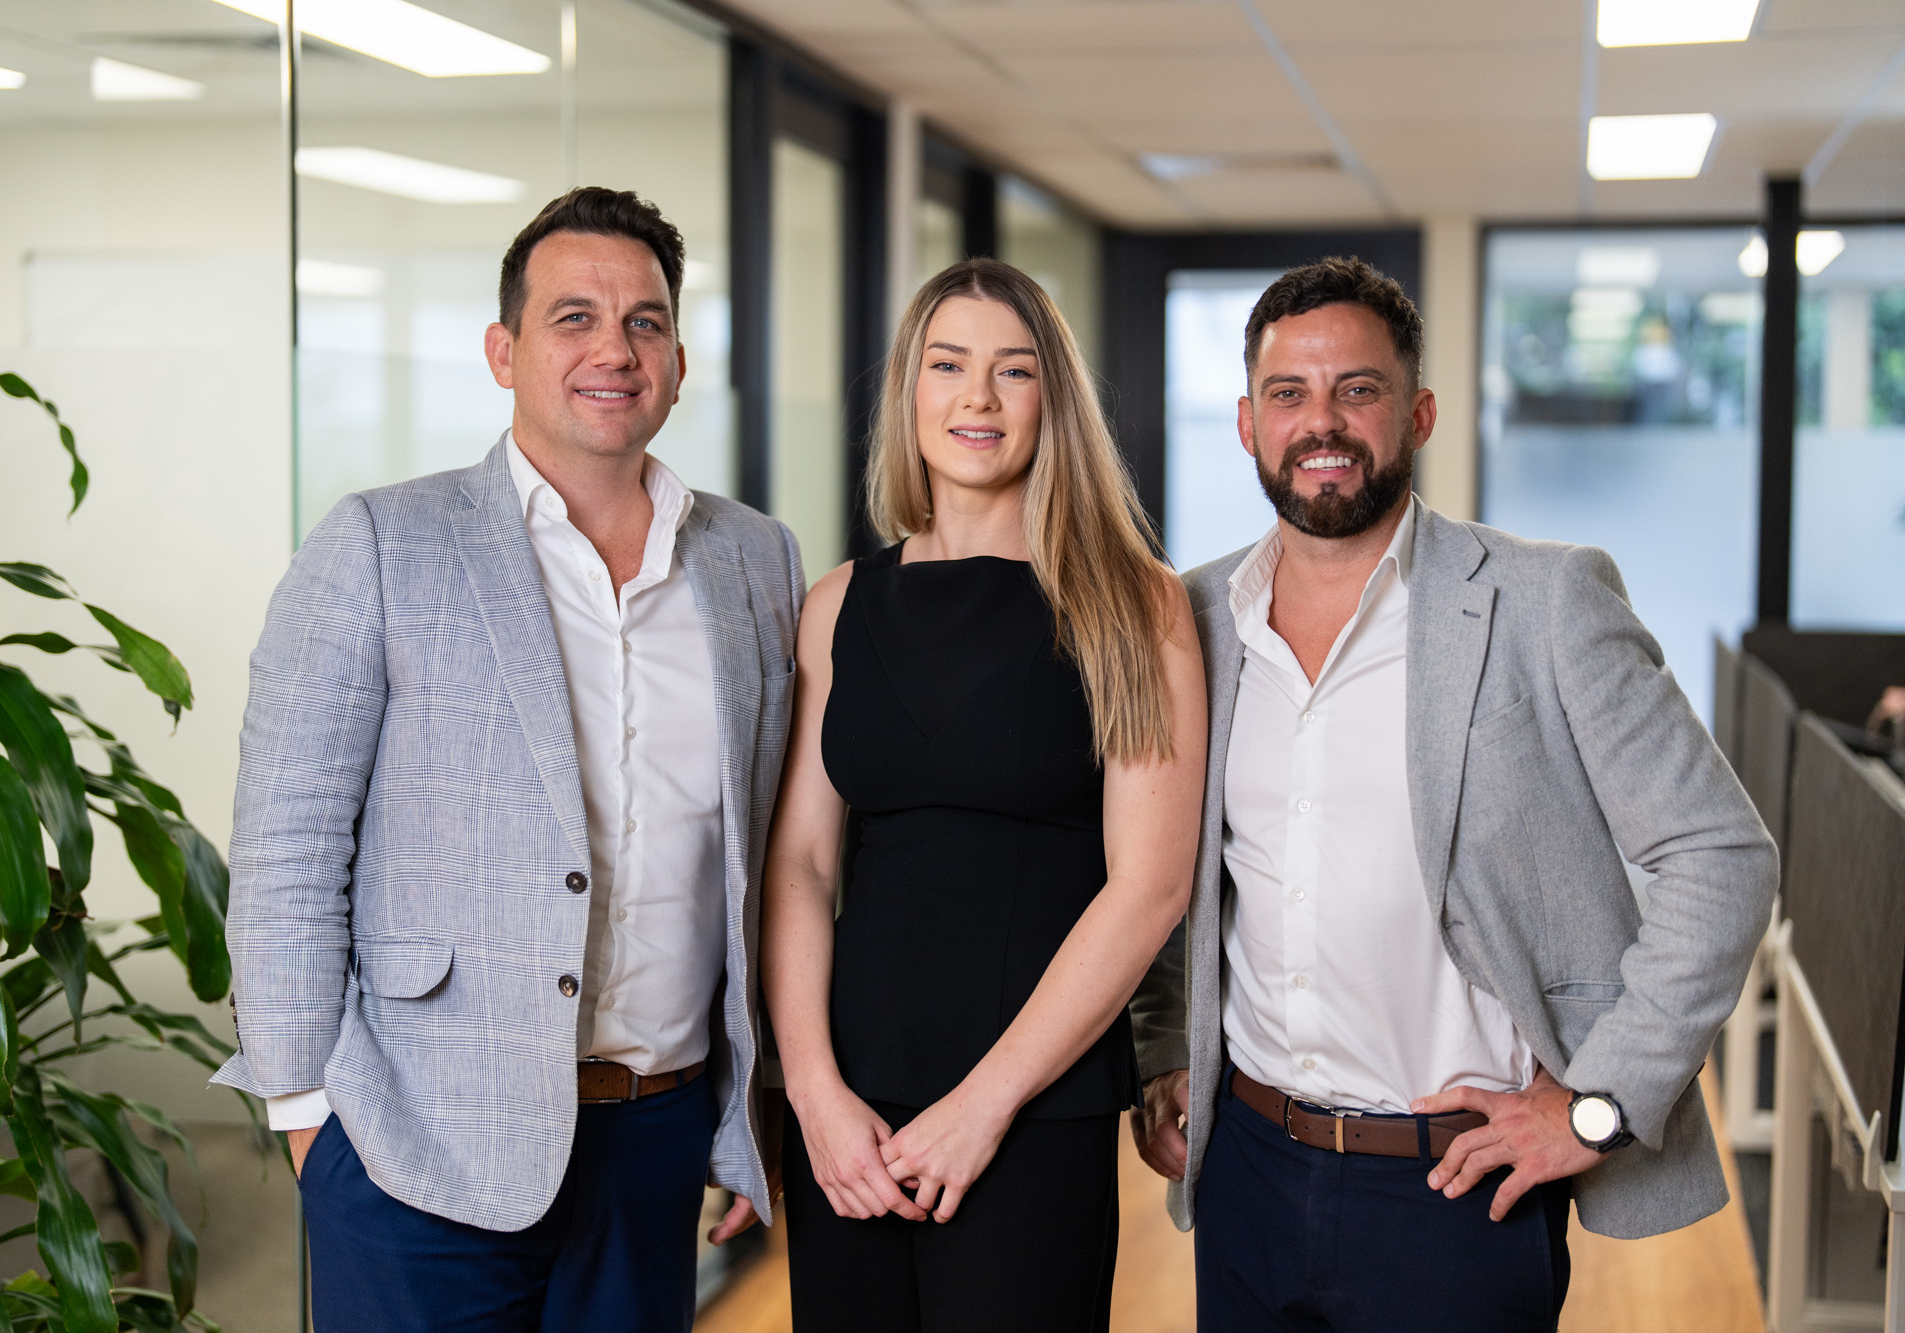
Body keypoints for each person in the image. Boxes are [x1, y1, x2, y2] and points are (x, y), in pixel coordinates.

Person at [1128, 257, 1778, 1332]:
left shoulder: (1541, 601)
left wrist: (1597, 1103)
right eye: (1287, 394)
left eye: (1358, 389)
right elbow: (1163, 869)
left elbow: (1718, 855)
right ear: (1245, 423)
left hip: (1451, 1189)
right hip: (1242, 1165)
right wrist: (1159, 1047)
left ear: (1416, 411)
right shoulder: (1190, 619)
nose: (1320, 423)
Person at [212, 186, 800, 1332]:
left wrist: (745, 1107)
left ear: (677, 361)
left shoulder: (752, 561)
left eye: (644, 322)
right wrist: (306, 1120)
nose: (613, 349)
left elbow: (767, 854)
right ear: (503, 350)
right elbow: (286, 842)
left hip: (655, 1133)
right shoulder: (383, 542)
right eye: (572, 317)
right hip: (415, 1140)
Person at [762, 258, 1207, 1332]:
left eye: (1013, 371)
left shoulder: (1128, 603)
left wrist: (982, 1105)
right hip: (854, 1110)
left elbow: (1147, 887)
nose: (976, 397)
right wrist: (813, 1096)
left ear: (1051, 399)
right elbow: (799, 866)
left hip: (1031, 1106)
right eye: (947, 364)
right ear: (907, 393)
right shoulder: (836, 607)